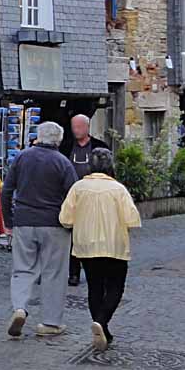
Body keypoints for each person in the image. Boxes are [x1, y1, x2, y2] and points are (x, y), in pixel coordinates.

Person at [58, 147, 141, 352]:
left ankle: (101, 326)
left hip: (86, 246)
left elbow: (65, 219)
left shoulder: (78, 188)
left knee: (95, 287)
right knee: (115, 287)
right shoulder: (118, 189)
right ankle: (102, 322)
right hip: (114, 245)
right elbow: (132, 219)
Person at [0, 120, 77, 338]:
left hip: (24, 220)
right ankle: (50, 323)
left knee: (22, 269)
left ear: (38, 136)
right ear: (59, 140)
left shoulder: (22, 157)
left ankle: (20, 308)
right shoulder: (62, 163)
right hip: (54, 224)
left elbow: (6, 191)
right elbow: (74, 196)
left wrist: (8, 221)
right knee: (54, 272)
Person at [59, 114, 109, 285]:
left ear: (87, 127)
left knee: (93, 236)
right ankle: (73, 273)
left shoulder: (100, 147)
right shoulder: (65, 147)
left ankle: (95, 270)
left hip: (94, 198)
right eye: (74, 127)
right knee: (74, 238)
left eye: (79, 127)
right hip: (71, 197)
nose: (76, 131)